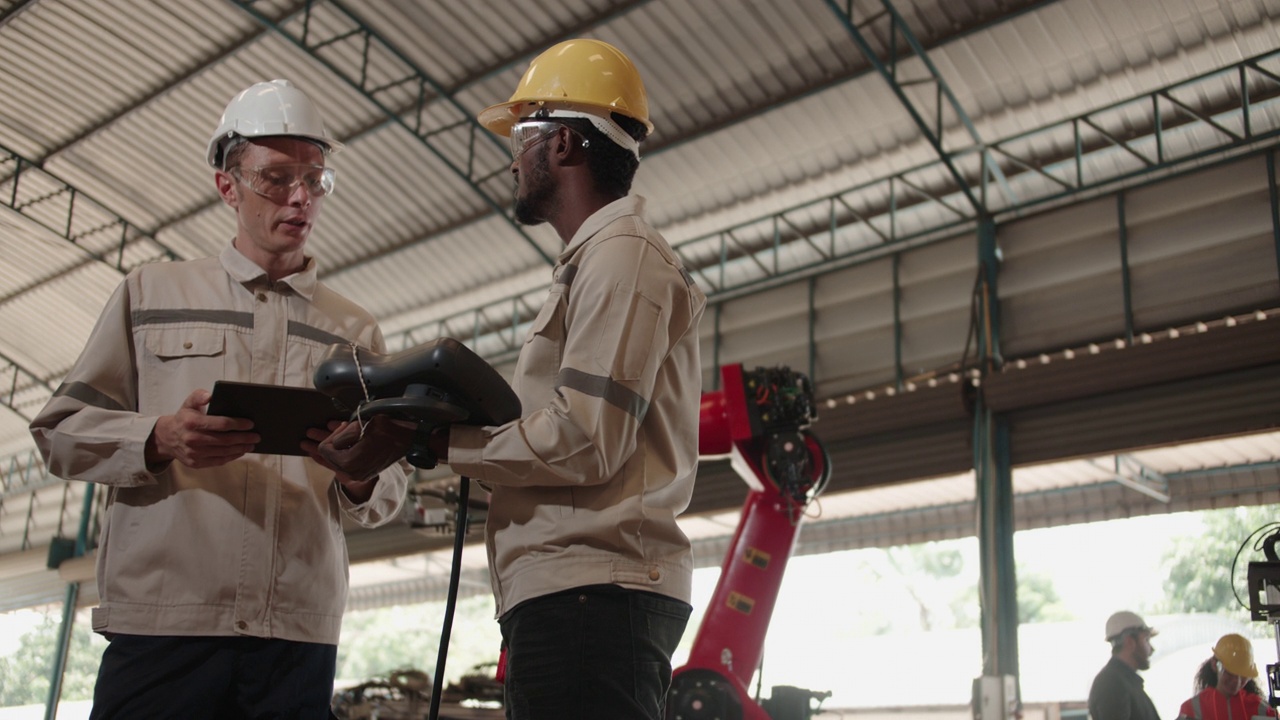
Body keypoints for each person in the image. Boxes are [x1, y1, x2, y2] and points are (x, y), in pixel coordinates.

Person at [29, 79, 411, 719]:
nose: (299, 197)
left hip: (296, 633)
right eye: (275, 178)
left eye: (315, 179)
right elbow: (59, 432)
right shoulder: (151, 295)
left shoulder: (354, 332)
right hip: (165, 625)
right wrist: (158, 438)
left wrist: (362, 475)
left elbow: (390, 486)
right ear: (227, 186)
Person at [424, 38, 707, 720]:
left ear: (564, 145)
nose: (513, 157)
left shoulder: (622, 258)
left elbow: (585, 439)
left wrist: (441, 444)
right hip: (581, 594)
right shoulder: (597, 263)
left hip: (594, 594)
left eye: (522, 135)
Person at [1176, 633, 1277, 719]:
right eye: (1229, 673)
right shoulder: (1191, 711)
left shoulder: (1261, 709)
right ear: (1215, 664)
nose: (1236, 682)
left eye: (1243, 677)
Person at [1089, 610, 1163, 720]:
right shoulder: (1111, 683)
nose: (1151, 649)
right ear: (1130, 642)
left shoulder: (1123, 681)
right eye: (1146, 640)